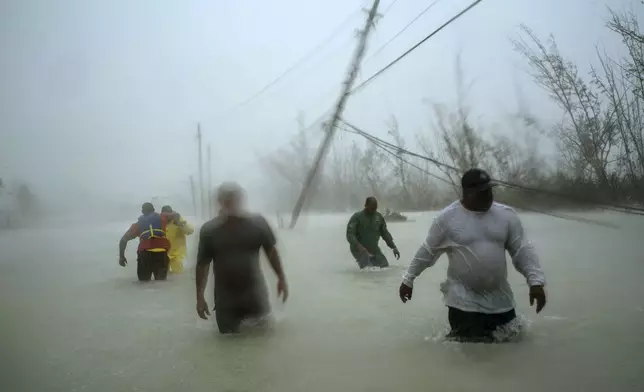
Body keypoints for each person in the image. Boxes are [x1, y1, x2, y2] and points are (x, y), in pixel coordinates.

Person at [398, 168, 547, 342]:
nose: (488, 196)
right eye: (482, 192)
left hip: (501, 302)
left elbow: (522, 250)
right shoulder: (446, 219)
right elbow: (427, 252)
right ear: (467, 193)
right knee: (470, 356)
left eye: (490, 190)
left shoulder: (506, 215)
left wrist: (535, 282)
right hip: (463, 303)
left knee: (511, 350)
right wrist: (408, 279)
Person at [195, 182, 289, 334]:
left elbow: (271, 252)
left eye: (234, 199)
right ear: (220, 202)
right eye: (227, 200)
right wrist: (200, 296)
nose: (231, 203)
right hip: (225, 301)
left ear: (241, 201)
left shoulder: (258, 224)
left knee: (263, 343)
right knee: (227, 345)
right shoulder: (209, 230)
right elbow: (202, 264)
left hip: (255, 296)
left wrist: (281, 278)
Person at [118, 202, 179, 282]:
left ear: (142, 212)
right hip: (161, 254)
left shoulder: (137, 225)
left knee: (143, 283)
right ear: (154, 210)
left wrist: (121, 257)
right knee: (161, 283)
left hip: (145, 255)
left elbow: (123, 241)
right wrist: (176, 222)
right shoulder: (163, 217)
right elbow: (176, 214)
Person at [346, 196, 400, 269]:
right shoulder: (357, 217)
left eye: (375, 208)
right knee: (368, 270)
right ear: (366, 205)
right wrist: (360, 247)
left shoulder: (378, 217)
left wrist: (393, 247)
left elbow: (385, 233)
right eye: (371, 208)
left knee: (385, 266)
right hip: (358, 249)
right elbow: (350, 234)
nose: (373, 210)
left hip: (373, 248)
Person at [161, 205, 194, 274]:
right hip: (164, 254)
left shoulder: (178, 220)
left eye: (169, 215)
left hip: (177, 254)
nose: (167, 217)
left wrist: (181, 224)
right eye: (165, 215)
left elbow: (190, 231)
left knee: (178, 274)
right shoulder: (160, 222)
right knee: (163, 277)